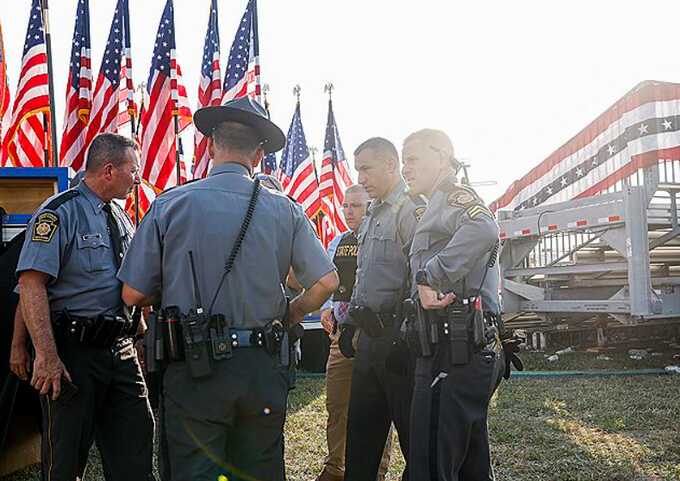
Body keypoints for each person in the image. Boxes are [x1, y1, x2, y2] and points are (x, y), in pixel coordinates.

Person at [117, 96, 339, 481]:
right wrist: (295, 311)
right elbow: (327, 282)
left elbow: (132, 295)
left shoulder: (170, 204)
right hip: (263, 365)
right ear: (258, 154)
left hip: (195, 367)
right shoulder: (285, 209)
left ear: (210, 145)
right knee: (260, 468)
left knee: (194, 471)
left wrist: (176, 285)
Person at [15, 133, 154, 481]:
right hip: (73, 353)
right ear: (109, 170)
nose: (137, 179)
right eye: (132, 170)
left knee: (135, 448)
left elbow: (127, 284)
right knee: (64, 459)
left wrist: (138, 335)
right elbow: (32, 285)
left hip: (120, 352)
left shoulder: (122, 217)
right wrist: (44, 355)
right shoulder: (59, 213)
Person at [401, 129, 506, 481]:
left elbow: (484, 227)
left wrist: (431, 276)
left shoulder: (453, 197)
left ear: (442, 156)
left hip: (454, 348)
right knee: (471, 468)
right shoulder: (434, 205)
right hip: (456, 348)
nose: (405, 168)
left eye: (412, 159)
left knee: (430, 466)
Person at [343, 137, 422, 481]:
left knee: (414, 441)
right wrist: (350, 323)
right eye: (357, 168)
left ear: (391, 165)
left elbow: (422, 279)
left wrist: (406, 336)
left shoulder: (410, 209)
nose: (360, 177)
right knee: (361, 440)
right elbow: (365, 275)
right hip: (368, 340)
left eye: (366, 168)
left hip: (398, 343)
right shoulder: (373, 211)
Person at [315, 184, 394, 481]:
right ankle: (335, 469)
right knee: (337, 406)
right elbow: (329, 283)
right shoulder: (337, 242)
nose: (350, 211)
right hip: (340, 336)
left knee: (376, 409)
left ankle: (375, 472)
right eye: (346, 206)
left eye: (357, 206)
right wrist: (325, 308)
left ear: (371, 206)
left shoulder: (385, 239)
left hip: (374, 334)